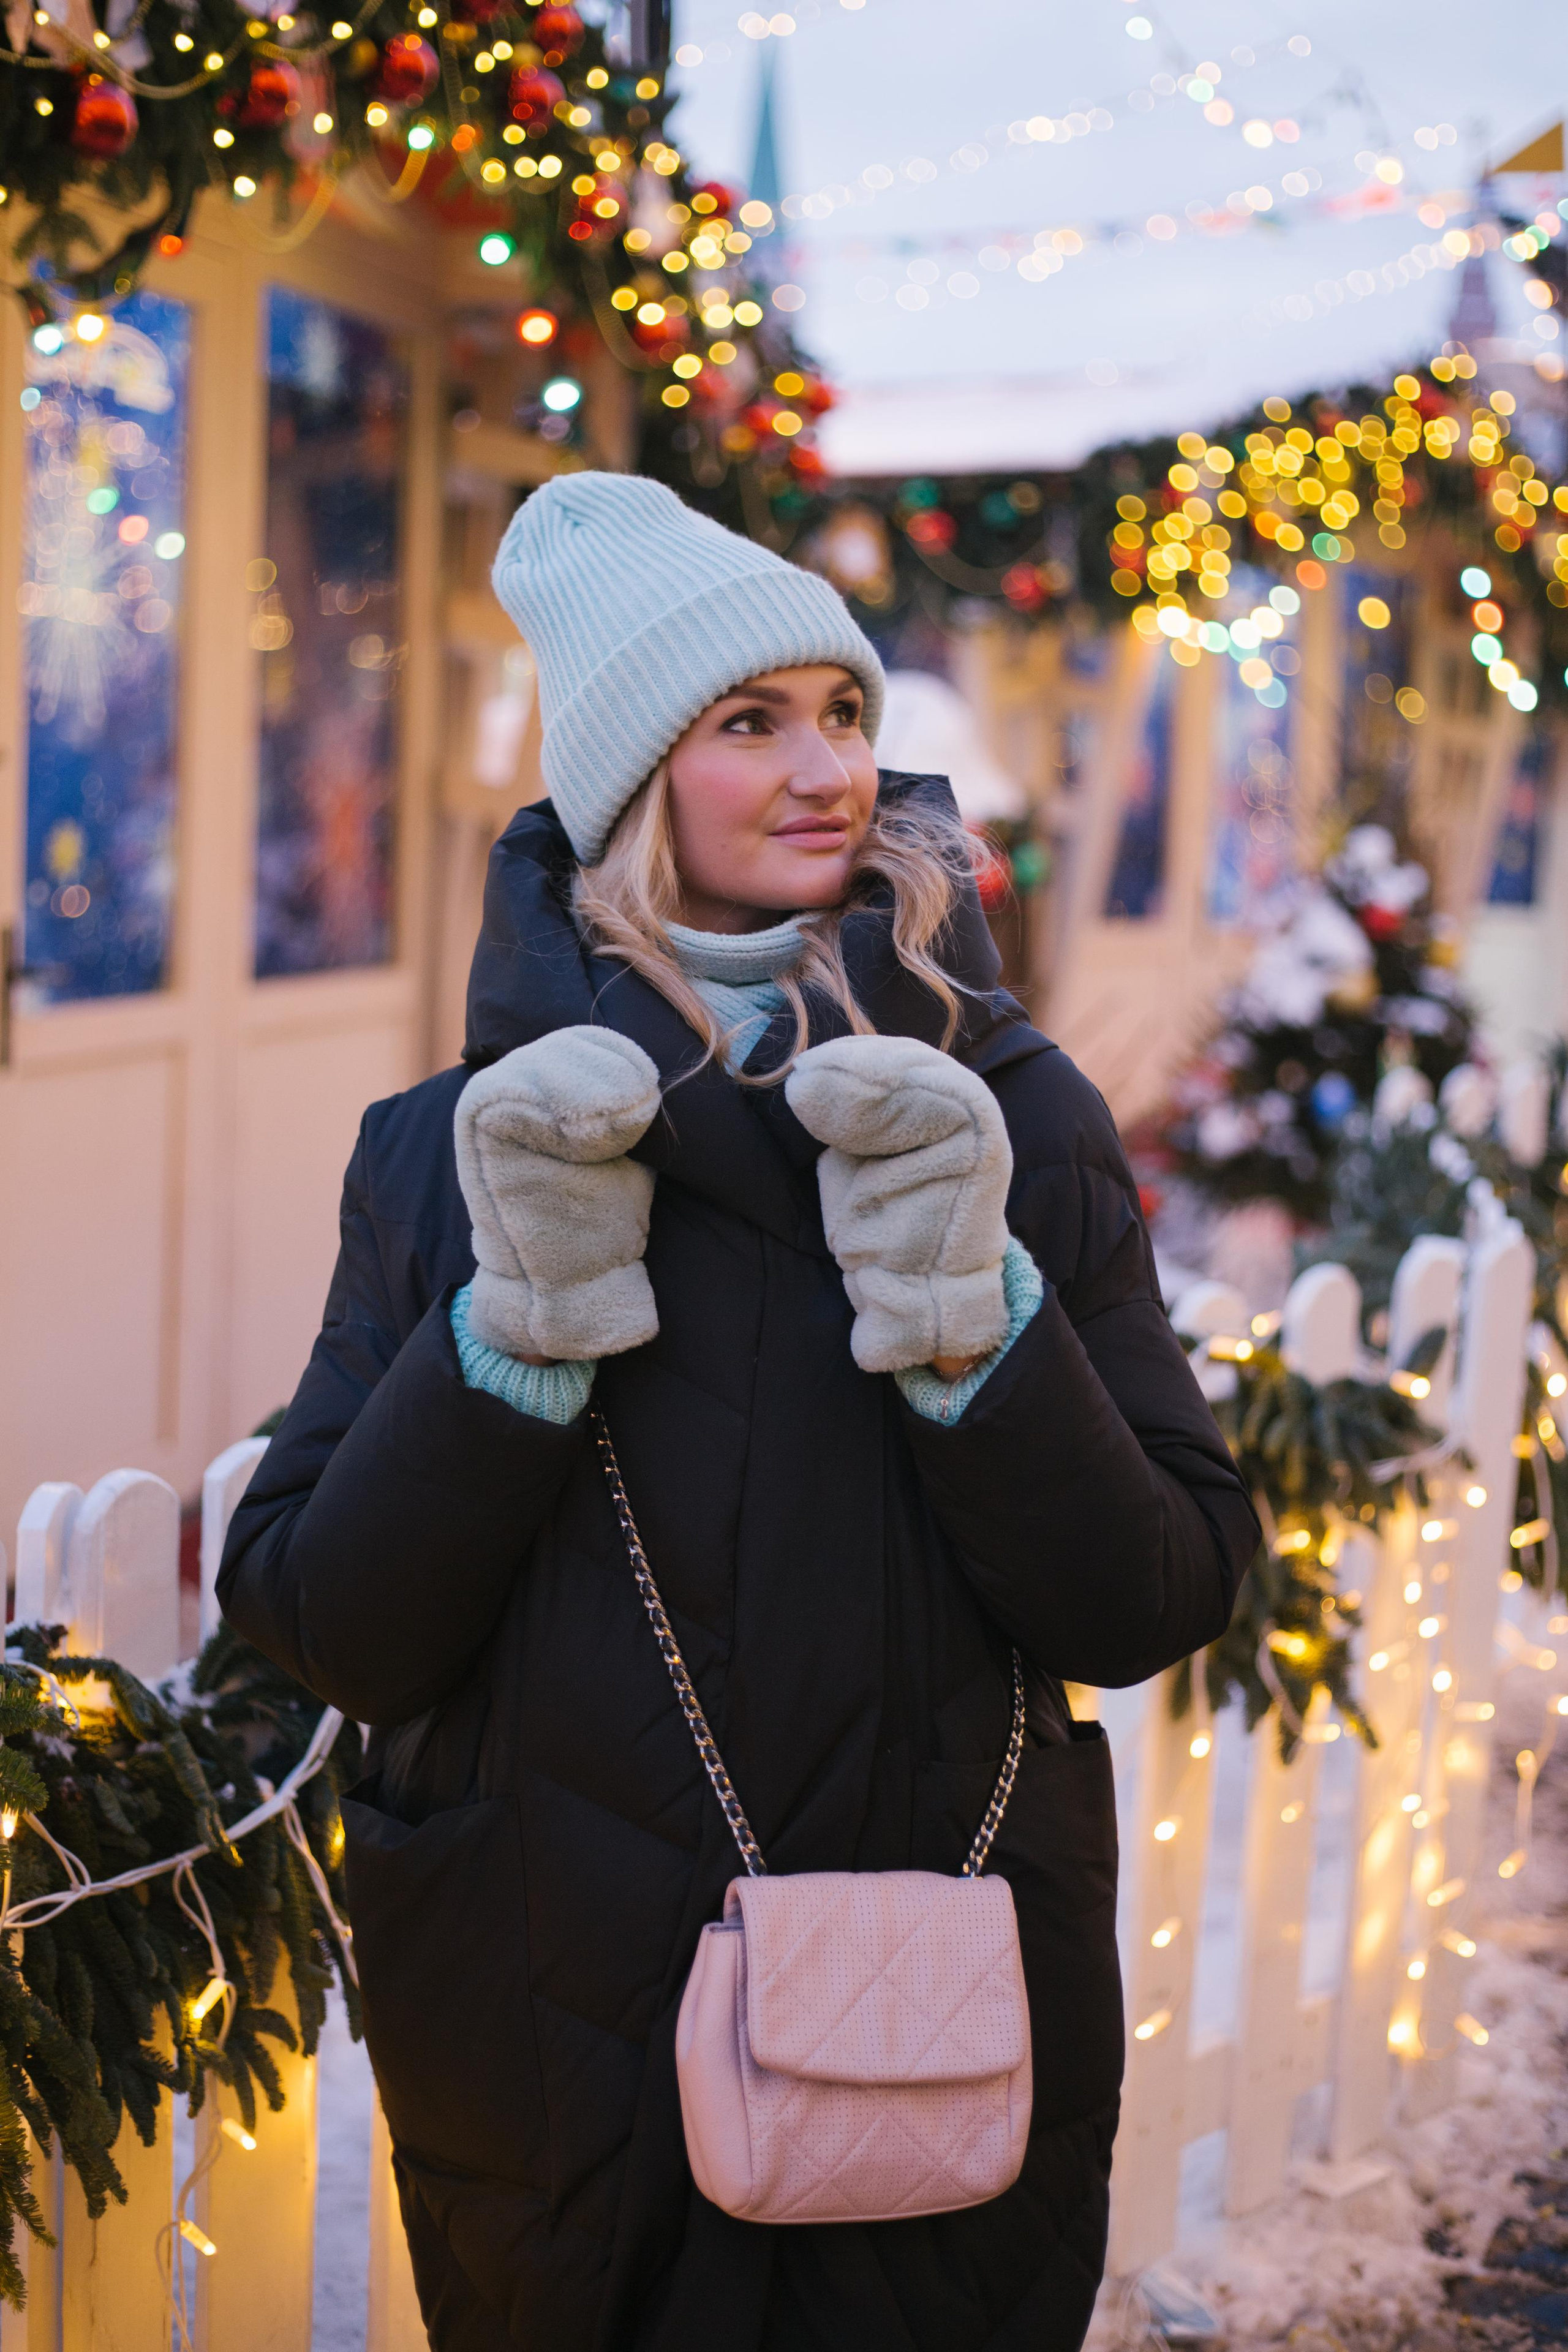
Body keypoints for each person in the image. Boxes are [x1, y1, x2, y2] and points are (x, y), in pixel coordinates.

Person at [219, 473, 1257, 2352]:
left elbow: (1158, 1593)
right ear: (631, 784)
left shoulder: (1010, 1115)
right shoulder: (460, 1147)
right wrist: (513, 1333)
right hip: (559, 2033)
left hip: (935, 2001)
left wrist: (974, 1318)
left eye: (847, 713)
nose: (827, 769)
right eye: (750, 722)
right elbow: (326, 1619)